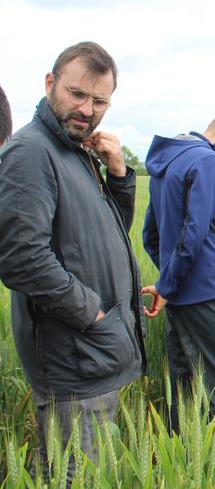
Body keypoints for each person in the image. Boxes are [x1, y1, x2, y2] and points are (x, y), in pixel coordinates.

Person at [0, 42, 145, 481]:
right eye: (77, 94)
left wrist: (118, 176)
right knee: (75, 477)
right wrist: (94, 313)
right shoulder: (31, 153)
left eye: (99, 100)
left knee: (89, 473)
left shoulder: (76, 151)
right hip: (75, 358)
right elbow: (22, 258)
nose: (87, 108)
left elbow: (106, 234)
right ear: (50, 83)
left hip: (95, 352)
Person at [141, 113, 215, 431]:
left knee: (184, 391)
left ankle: (182, 466)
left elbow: (151, 233)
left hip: (178, 301)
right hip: (210, 294)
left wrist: (167, 283)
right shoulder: (208, 160)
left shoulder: (166, 162)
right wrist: (170, 282)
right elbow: (195, 231)